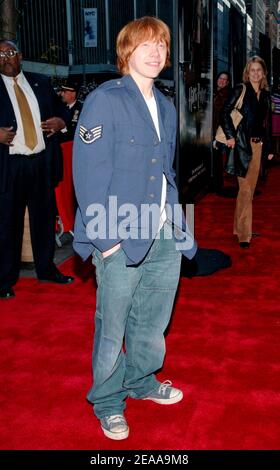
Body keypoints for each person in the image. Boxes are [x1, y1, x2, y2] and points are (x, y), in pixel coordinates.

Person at [73, 16, 197, 440]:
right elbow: (88, 177)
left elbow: (164, 172)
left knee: (153, 317)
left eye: (162, 45)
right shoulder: (106, 100)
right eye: (146, 44)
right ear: (127, 51)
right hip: (119, 231)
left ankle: (142, 381)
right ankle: (107, 402)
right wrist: (105, 241)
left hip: (162, 228)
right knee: (113, 324)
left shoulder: (165, 105)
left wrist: (177, 226)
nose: (156, 52)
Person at [0, 40, 74, 299]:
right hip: (10, 166)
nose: (5, 58)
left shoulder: (40, 82)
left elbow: (63, 109)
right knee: (8, 223)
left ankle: (46, 269)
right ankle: (4, 280)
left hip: (42, 162)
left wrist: (60, 122)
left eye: (9, 52)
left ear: (20, 55)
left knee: (44, 219)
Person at [220, 56, 273, 248]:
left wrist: (269, 149)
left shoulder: (266, 95)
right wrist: (230, 136)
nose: (256, 73)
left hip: (259, 147)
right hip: (243, 146)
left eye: (259, 70)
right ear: (247, 72)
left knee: (248, 192)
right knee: (245, 190)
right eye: (253, 70)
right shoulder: (240, 90)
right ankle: (244, 234)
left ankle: (239, 227)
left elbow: (266, 125)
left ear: (264, 73)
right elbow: (224, 112)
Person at [212, 71, 231, 193]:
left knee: (219, 158)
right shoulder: (213, 92)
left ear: (227, 82)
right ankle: (217, 183)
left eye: (225, 79)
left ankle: (219, 184)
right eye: (220, 78)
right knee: (217, 158)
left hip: (219, 130)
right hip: (212, 129)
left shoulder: (225, 95)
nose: (222, 81)